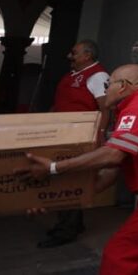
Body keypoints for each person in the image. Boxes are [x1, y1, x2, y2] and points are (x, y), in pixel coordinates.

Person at [19, 64, 138, 274]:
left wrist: (54, 168)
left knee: (119, 257)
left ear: (123, 86)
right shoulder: (134, 109)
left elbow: (113, 155)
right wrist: (53, 198)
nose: (104, 90)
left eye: (107, 84)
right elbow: (111, 172)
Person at [38, 39, 110, 248]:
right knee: (67, 177)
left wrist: (100, 134)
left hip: (79, 136)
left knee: (68, 180)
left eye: (74, 52)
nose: (70, 56)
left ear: (87, 56)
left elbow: (105, 108)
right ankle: (73, 224)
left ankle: (65, 230)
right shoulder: (72, 75)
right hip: (62, 133)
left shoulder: (97, 75)